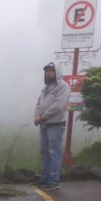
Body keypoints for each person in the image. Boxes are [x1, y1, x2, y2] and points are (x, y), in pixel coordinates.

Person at [33, 62, 70, 190]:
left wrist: (42, 117)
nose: (48, 73)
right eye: (47, 71)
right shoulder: (45, 88)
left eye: (51, 71)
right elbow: (39, 103)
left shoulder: (63, 86)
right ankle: (44, 179)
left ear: (57, 72)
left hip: (56, 125)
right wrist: (37, 115)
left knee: (54, 153)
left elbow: (58, 106)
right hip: (44, 124)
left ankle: (53, 181)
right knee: (44, 152)